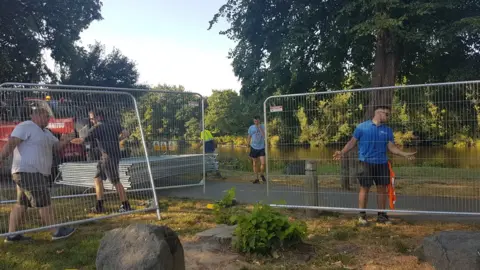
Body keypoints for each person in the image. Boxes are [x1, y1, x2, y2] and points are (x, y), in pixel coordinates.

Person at [0, 107, 76, 243]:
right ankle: (56, 231)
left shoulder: (46, 132)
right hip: (28, 171)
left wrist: (65, 140)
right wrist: (1, 158)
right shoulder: (26, 126)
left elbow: (56, 147)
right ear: (37, 115)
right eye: (46, 116)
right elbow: (12, 143)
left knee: (21, 204)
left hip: (35, 172)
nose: (48, 119)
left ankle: (12, 235)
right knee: (43, 200)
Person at [333, 106, 416, 225]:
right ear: (378, 113)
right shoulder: (362, 127)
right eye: (386, 114)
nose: (388, 117)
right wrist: (342, 152)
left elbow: (392, 147)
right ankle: (362, 216)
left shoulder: (387, 130)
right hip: (365, 163)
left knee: (382, 190)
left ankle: (382, 216)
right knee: (364, 188)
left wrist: (404, 154)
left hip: (382, 163)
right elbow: (352, 142)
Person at [70, 109, 131, 213]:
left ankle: (126, 206)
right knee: (97, 178)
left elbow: (82, 140)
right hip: (113, 155)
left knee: (115, 181)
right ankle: (99, 206)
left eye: (92, 119)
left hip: (108, 156)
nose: (91, 121)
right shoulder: (113, 123)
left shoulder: (97, 128)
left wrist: (69, 140)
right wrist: (118, 140)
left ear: (99, 117)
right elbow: (127, 133)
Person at [247, 116, 266, 184]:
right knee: (255, 163)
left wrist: (259, 127)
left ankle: (261, 174)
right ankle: (256, 178)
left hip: (261, 147)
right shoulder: (251, 127)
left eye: (257, 121)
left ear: (259, 121)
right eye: (255, 121)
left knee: (263, 163)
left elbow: (264, 136)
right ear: (253, 121)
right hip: (253, 147)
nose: (256, 122)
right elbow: (249, 136)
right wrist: (248, 144)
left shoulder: (263, 126)